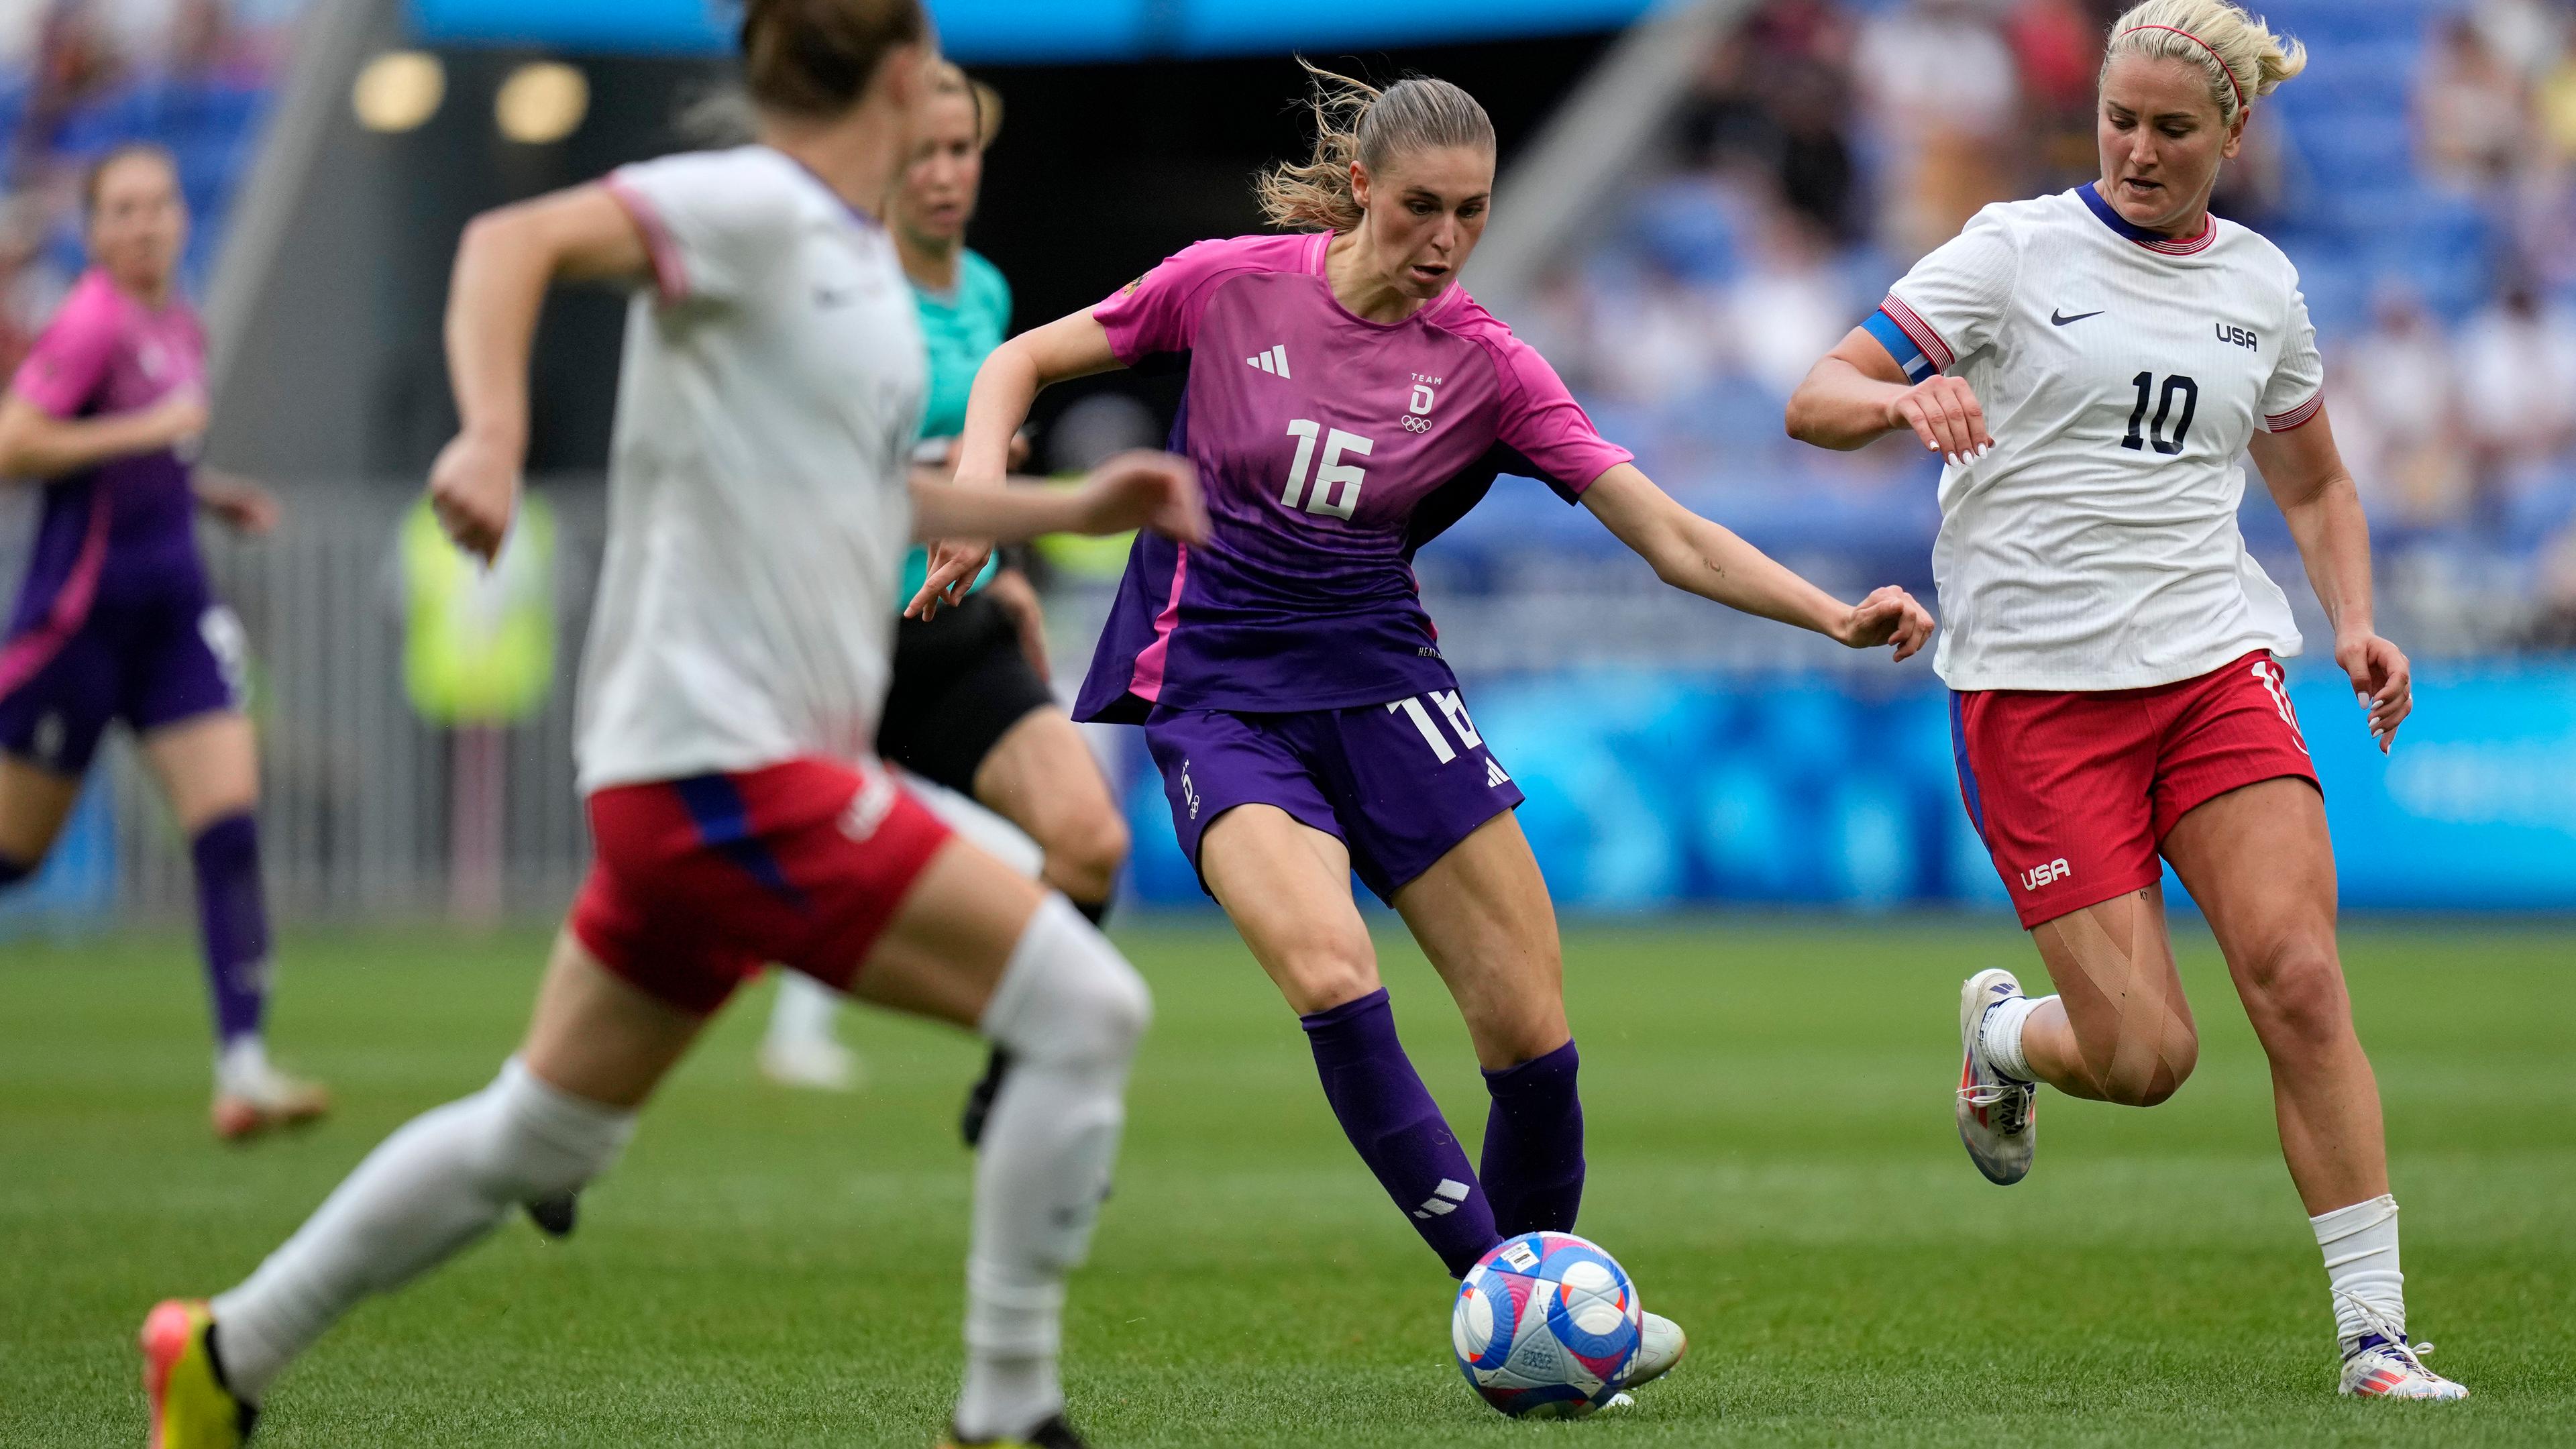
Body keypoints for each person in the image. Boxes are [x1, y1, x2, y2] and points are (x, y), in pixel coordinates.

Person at [138, 3, 1203, 1445]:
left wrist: (1062, 510)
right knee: (1090, 1008)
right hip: (726, 765)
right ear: (900, 78)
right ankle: (1007, 1409)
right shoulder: (752, 205)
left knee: (543, 1131)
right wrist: (495, 434)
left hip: (707, 778)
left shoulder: (842, 265)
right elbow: (505, 246)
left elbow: (868, 492)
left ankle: (220, 1354)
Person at [911, 62, 1933, 1397]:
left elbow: (1670, 534)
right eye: (1422, 209)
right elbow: (1021, 360)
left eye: (1473, 213)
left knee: (1532, 1036)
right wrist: (978, 498)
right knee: (1332, 973)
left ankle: (1537, 1327)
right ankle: (1523, 1310)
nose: (1447, 240)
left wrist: (1830, 613)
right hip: (1219, 697)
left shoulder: (1491, 368)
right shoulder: (1230, 286)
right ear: (1359, 191)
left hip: (1390, 695)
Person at [1784, 0, 2467, 1402]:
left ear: (2234, 132)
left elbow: (2320, 483)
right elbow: (1816, 394)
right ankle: (1998, 1037)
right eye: (2121, 121)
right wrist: (1901, 405)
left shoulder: (2263, 287)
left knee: (2299, 977)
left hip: (2215, 669)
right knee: (2148, 1057)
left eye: (2172, 128)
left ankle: (2376, 1337)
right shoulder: (2012, 253)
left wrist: (2353, 620)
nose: (2141, 150)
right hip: (2037, 701)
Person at [761, 60, 1132, 1116]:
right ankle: (559, 1118)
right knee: (722, 905)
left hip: (947, 631)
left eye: (961, 150)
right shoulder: (828, 292)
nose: (943, 174)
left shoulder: (985, 294)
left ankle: (1023, 1090)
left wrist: (1004, 565)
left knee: (1089, 841)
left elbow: (970, 455)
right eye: (920, 151)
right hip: (826, 638)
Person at [0, 142, 319, 1142]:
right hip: (78, 627)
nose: (144, 225)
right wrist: (142, 435)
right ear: (94, 233)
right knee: (15, 858)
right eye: (122, 211)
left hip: (174, 615)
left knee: (228, 824)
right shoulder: (90, 323)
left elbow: (161, 446)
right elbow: (16, 443)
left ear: (183, 217)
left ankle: (245, 1067)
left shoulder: (180, 324)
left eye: (159, 205)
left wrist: (209, 494)